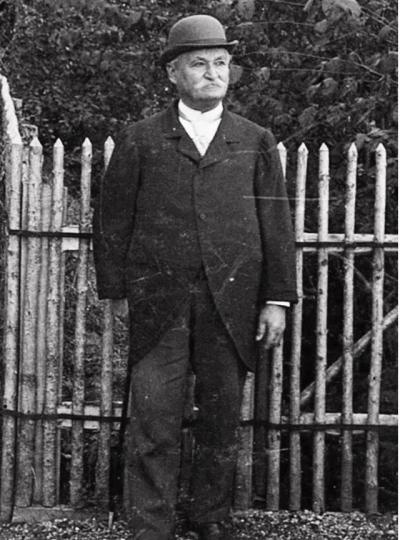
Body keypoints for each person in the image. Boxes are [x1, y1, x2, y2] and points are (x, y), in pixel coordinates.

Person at [92, 14, 296, 540]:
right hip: (159, 305)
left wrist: (278, 298)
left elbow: (276, 225)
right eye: (200, 63)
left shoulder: (254, 140)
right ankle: (149, 525)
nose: (213, 73)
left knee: (221, 421)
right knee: (153, 421)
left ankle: (211, 519)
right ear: (173, 73)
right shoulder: (139, 140)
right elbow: (112, 221)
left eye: (221, 63)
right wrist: (116, 292)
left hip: (232, 304)